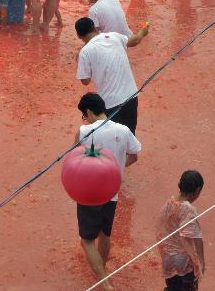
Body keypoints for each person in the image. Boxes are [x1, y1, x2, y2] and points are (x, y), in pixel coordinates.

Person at [74, 93, 142, 285]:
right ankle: (101, 269)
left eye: (84, 115)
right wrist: (118, 166)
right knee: (105, 234)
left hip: (88, 192)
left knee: (86, 240)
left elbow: (73, 160)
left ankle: (104, 283)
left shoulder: (84, 131)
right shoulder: (124, 130)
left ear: (88, 112)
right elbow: (134, 156)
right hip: (111, 191)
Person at [75, 16, 149, 133]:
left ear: (79, 36)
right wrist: (142, 32)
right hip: (131, 96)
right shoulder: (114, 36)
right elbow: (135, 40)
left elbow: (85, 81)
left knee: (112, 140)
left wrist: (79, 61)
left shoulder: (85, 52)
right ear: (94, 28)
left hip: (111, 103)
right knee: (129, 137)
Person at [157, 170, 205, 291]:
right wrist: (201, 262)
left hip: (167, 259)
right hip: (183, 263)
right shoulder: (189, 210)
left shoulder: (168, 203)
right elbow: (197, 237)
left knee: (172, 287)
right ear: (197, 190)